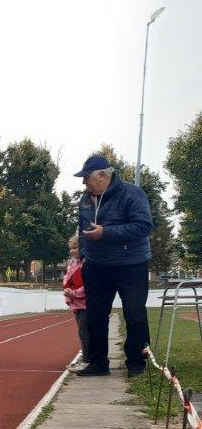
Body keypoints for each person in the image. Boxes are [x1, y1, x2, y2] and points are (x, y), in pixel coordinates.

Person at [74, 154, 153, 377]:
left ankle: (137, 362)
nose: (83, 183)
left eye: (86, 178)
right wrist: (83, 255)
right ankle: (98, 362)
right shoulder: (85, 199)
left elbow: (144, 226)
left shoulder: (132, 193)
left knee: (135, 314)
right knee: (95, 316)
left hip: (132, 265)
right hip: (97, 266)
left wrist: (106, 233)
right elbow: (82, 229)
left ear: (102, 175)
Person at [62, 234, 89, 366]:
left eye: (75, 247)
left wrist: (73, 293)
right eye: (70, 248)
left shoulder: (87, 264)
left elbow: (88, 286)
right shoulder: (73, 264)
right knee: (82, 331)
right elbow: (67, 280)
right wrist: (68, 293)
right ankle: (86, 356)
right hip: (76, 305)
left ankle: (87, 359)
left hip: (85, 305)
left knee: (85, 332)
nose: (72, 251)